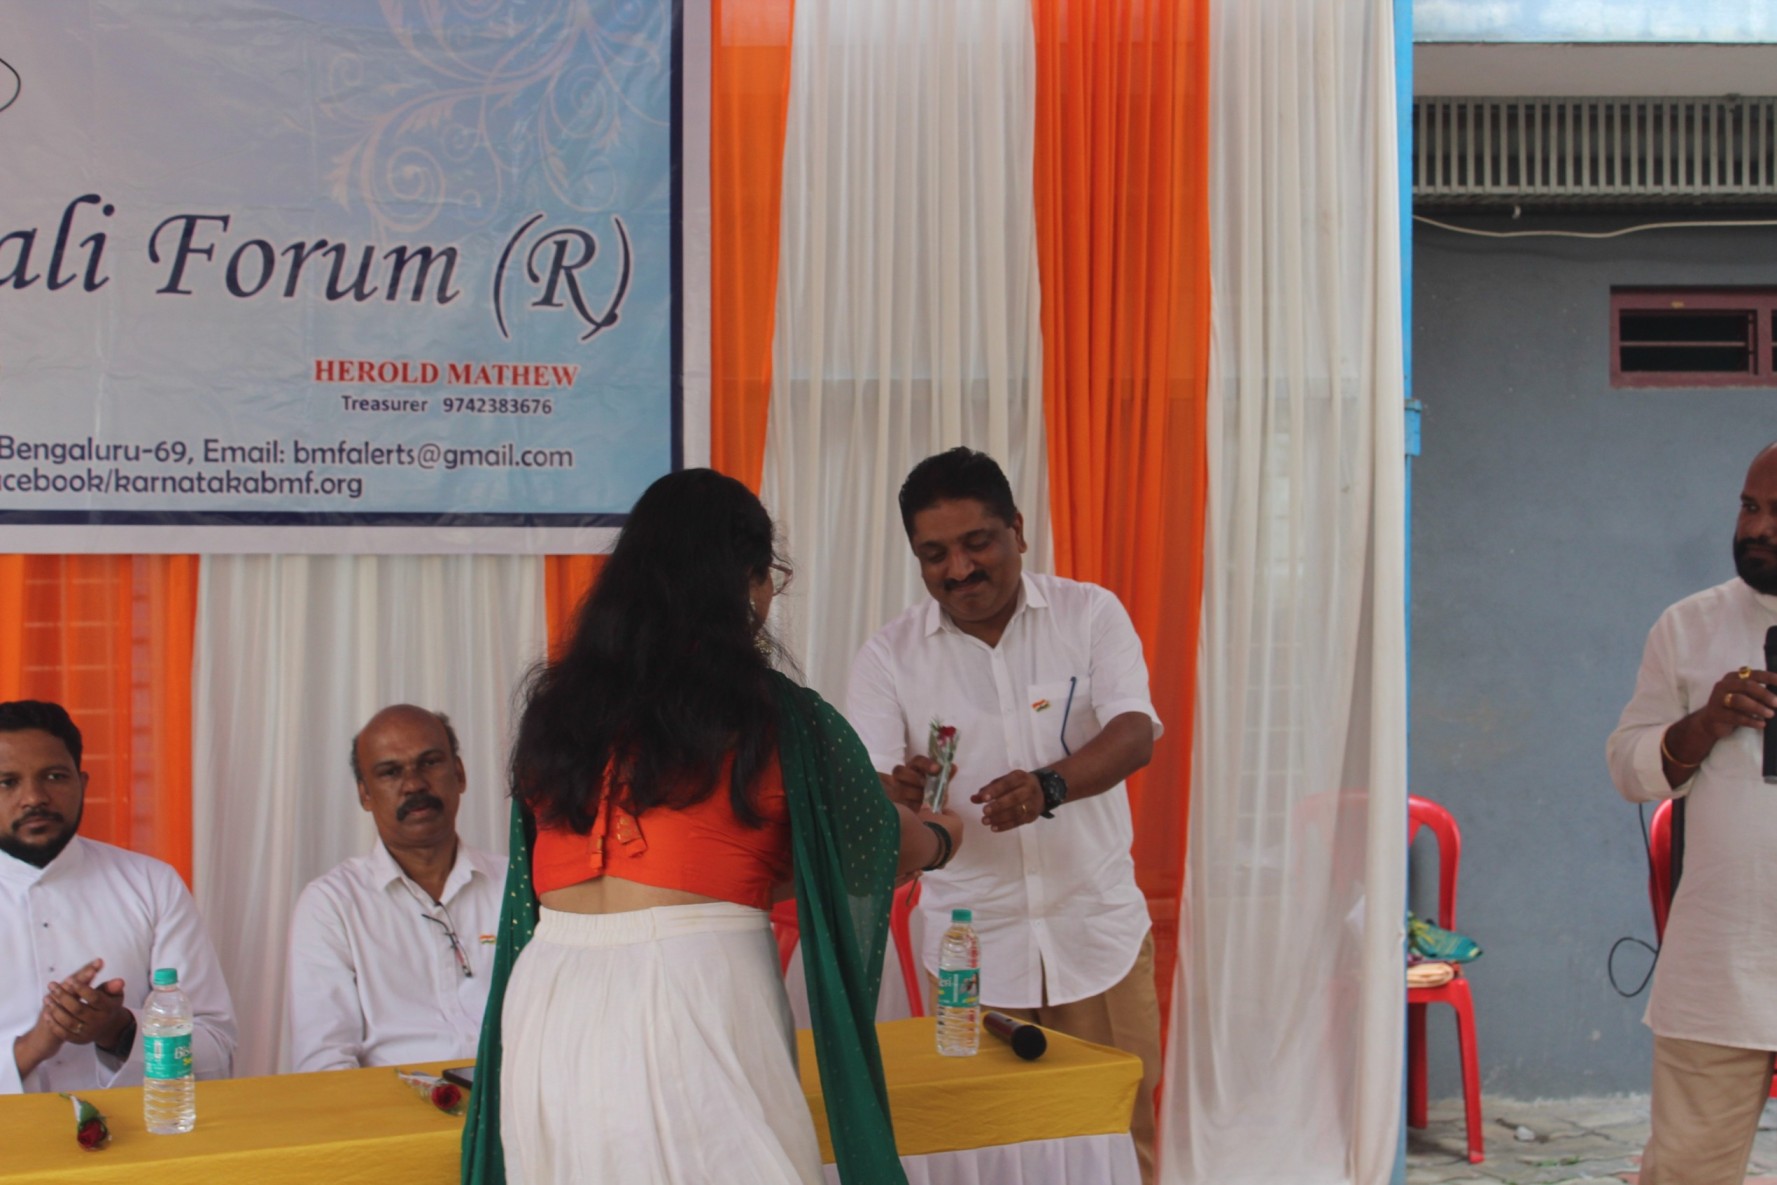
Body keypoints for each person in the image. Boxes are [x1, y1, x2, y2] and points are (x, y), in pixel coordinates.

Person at [461, 468, 964, 1185]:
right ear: (748, 579)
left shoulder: (556, 711)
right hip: (694, 991)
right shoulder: (773, 712)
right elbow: (873, 842)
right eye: (769, 579)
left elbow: (717, 860)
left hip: (548, 1000)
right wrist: (941, 836)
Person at [845, 447, 1164, 1185]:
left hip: (1096, 934)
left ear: (1017, 529)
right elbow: (871, 789)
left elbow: (1133, 732)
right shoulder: (888, 656)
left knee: (1120, 1145)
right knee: (989, 1154)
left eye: (976, 542)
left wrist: (1050, 785)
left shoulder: (1090, 614)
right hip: (971, 952)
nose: (958, 569)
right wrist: (897, 793)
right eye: (934, 554)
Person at [1607, 441, 1777, 1185]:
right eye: (1749, 506)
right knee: (1686, 1174)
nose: (1757, 528)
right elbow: (1627, 766)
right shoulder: (1687, 626)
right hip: (1721, 961)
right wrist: (1703, 724)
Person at [0, 699, 236, 1093]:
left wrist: (120, 1030)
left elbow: (218, 1055)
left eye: (54, 776)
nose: (34, 797)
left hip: (135, 1131)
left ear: (83, 784)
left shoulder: (151, 884)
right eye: (7, 782)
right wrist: (31, 1049)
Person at [285, 705, 506, 1071]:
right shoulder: (332, 905)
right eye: (390, 772)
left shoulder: (515, 886)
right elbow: (324, 1062)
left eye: (430, 763)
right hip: (394, 1101)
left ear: (460, 774)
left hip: (513, 1098)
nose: (414, 784)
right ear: (365, 795)